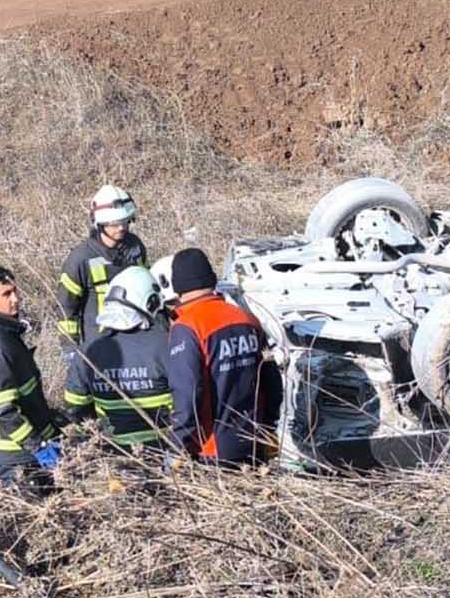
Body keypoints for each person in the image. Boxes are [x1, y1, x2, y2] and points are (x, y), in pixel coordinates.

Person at [162, 248, 282, 463]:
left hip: (212, 451)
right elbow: (272, 380)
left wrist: (176, 448)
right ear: (211, 280)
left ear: (178, 287)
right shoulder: (247, 319)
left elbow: (187, 396)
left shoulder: (188, 327)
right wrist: (269, 428)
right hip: (254, 443)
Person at [58, 185, 148, 420]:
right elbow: (66, 308)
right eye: (115, 223)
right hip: (99, 344)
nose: (121, 228)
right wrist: (71, 348)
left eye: (126, 222)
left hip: (135, 338)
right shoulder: (80, 259)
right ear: (99, 224)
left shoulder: (135, 247)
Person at [0, 266, 63, 492]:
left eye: (15, 291)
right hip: (15, 454)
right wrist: (37, 446)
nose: (15, 299)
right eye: (6, 294)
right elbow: (3, 409)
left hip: (23, 450)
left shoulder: (5, 332)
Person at [82, 266, 174, 450]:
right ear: (150, 302)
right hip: (167, 448)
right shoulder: (164, 343)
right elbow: (189, 397)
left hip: (111, 452)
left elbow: (75, 405)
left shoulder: (88, 350)